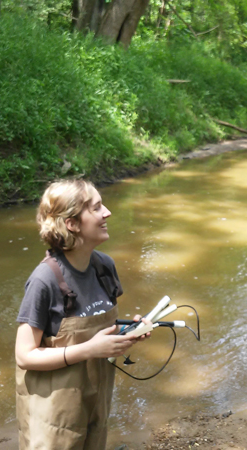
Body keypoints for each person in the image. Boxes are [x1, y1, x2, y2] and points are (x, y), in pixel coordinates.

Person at [15, 179, 150, 450]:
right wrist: (89, 349)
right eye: (97, 207)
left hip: (96, 402)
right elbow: (24, 355)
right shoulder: (45, 280)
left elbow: (101, 335)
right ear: (72, 224)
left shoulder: (104, 267)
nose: (107, 212)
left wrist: (128, 333)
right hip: (53, 416)